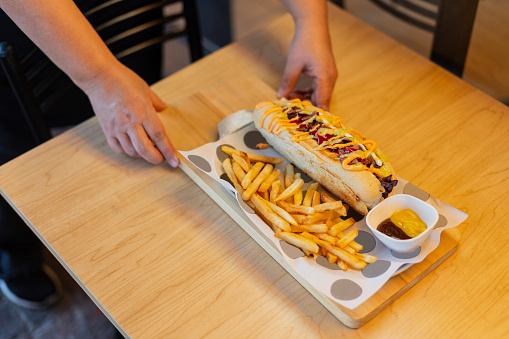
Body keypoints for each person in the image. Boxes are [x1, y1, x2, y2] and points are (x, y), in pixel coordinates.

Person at [0, 0, 337, 309]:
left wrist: (310, 20)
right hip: (26, 24)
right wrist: (99, 76)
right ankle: (16, 256)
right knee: (15, 160)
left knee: (142, 115)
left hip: (125, 13)